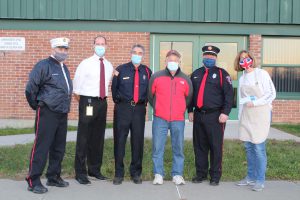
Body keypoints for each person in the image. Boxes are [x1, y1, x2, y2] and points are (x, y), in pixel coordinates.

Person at [25, 37, 72, 194]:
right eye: (60, 48)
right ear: (53, 49)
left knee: (58, 147)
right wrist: (37, 105)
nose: (63, 52)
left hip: (62, 112)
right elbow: (31, 88)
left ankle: (53, 176)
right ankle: (33, 180)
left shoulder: (64, 67)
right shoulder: (43, 65)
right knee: (42, 146)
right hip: (48, 112)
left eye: (65, 49)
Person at [188, 45, 234, 186]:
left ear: (216, 58)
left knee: (215, 146)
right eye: (207, 55)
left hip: (215, 116)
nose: (209, 58)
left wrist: (225, 113)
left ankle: (215, 175)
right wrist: (190, 110)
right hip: (199, 115)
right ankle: (200, 173)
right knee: (199, 146)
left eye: (212, 56)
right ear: (203, 57)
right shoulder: (195, 73)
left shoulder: (222, 74)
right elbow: (190, 94)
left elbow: (229, 95)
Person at [148, 50, 193, 185]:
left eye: (175, 60)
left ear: (179, 62)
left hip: (178, 119)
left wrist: (180, 109)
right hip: (160, 118)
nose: (172, 62)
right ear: (165, 61)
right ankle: (158, 174)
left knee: (178, 147)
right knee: (157, 147)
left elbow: (189, 97)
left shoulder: (185, 79)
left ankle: (177, 174)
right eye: (170, 60)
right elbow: (150, 96)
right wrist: (157, 108)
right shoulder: (156, 76)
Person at [73, 36, 113, 184]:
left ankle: (95, 170)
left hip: (103, 103)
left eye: (103, 44)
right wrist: (86, 103)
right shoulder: (86, 63)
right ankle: (80, 172)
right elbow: (76, 89)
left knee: (98, 137)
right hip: (88, 102)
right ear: (93, 45)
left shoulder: (108, 65)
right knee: (84, 137)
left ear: (106, 46)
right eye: (98, 44)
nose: (100, 46)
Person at [234, 50, 276, 191]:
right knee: (248, 147)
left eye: (247, 58)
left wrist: (256, 103)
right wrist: (240, 118)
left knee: (258, 147)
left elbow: (271, 93)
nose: (245, 60)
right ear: (239, 62)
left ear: (252, 59)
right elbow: (242, 100)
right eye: (241, 59)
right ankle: (250, 177)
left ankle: (260, 180)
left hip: (261, 113)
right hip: (247, 115)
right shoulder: (242, 78)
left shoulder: (261, 74)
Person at [111, 44, 152, 185]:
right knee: (120, 140)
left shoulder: (147, 71)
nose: (137, 54)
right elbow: (114, 89)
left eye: (140, 53)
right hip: (123, 108)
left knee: (137, 141)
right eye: (134, 52)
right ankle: (118, 173)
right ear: (130, 53)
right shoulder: (120, 69)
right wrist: (121, 103)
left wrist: (142, 103)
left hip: (139, 110)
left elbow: (149, 91)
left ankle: (136, 173)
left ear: (143, 55)